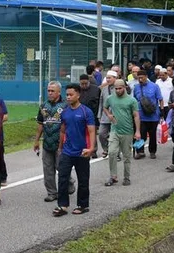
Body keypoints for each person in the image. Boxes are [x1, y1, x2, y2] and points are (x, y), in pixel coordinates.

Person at [53, 83, 96, 216]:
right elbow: (62, 131)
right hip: (67, 151)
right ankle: (63, 205)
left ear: (78, 95)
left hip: (82, 151)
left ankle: (82, 205)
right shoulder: (64, 112)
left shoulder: (85, 111)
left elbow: (92, 130)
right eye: (67, 95)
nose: (68, 97)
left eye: (71, 94)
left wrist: (91, 148)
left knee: (83, 179)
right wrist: (60, 148)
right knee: (62, 178)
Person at [34, 82, 74, 202]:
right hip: (47, 143)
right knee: (47, 169)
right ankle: (52, 193)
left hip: (61, 143)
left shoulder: (66, 106)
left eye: (52, 91)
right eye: (49, 90)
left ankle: (69, 183)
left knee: (61, 167)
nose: (50, 93)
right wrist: (36, 141)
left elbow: (70, 125)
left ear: (58, 92)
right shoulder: (43, 106)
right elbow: (40, 125)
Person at [103, 79, 140, 186]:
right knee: (112, 152)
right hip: (114, 130)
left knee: (127, 156)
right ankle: (113, 176)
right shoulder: (110, 98)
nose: (118, 90)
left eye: (120, 88)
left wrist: (137, 131)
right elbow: (105, 107)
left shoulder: (131, 100)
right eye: (116, 88)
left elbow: (136, 116)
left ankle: (127, 177)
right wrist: (109, 115)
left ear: (124, 88)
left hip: (127, 131)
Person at [133, 69, 164, 159]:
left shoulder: (155, 86)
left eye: (142, 78)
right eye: (139, 78)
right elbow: (134, 100)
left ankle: (152, 151)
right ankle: (140, 151)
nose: (140, 80)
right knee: (140, 134)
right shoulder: (136, 87)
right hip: (141, 116)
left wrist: (162, 111)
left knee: (153, 134)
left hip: (153, 115)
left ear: (146, 77)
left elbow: (160, 99)